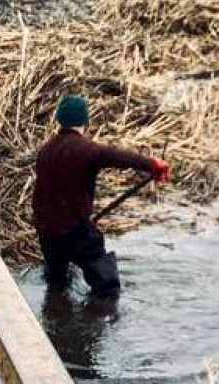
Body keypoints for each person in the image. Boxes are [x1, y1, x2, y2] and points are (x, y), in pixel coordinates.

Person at [32, 94, 170, 297]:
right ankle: (101, 324)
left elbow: (41, 196)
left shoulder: (45, 151)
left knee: (56, 285)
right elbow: (118, 156)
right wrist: (152, 165)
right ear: (84, 121)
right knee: (107, 289)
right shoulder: (87, 150)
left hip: (47, 232)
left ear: (59, 120)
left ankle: (54, 323)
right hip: (76, 232)